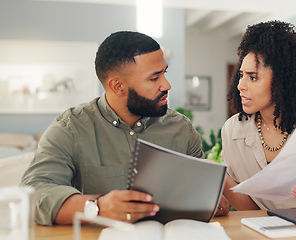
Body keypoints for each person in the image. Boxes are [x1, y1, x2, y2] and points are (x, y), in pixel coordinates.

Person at [21, 31, 213, 226]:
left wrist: (211, 202)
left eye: (165, 72)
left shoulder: (182, 129)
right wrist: (98, 207)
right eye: (154, 78)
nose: (167, 85)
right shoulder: (70, 128)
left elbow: (203, 191)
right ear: (118, 86)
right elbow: (33, 192)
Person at [220, 20, 296, 211]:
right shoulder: (233, 130)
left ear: (283, 81)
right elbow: (251, 211)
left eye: (253, 77)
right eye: (241, 75)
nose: (240, 85)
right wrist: (220, 176)